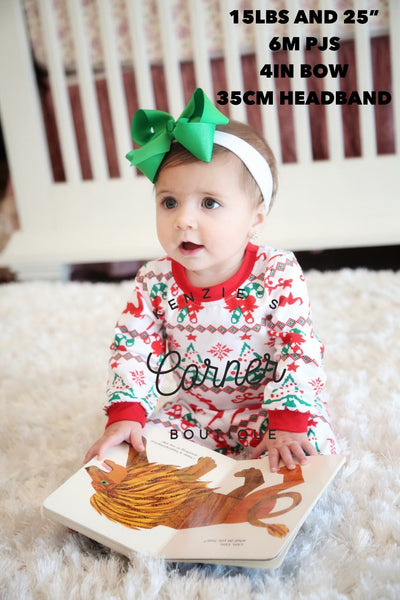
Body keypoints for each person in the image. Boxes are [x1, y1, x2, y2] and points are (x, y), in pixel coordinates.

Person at [85, 88, 337, 472]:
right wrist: (126, 412)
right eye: (169, 202)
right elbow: (133, 347)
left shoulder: (276, 272)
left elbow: (298, 346)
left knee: (312, 451)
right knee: (129, 453)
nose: (183, 219)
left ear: (255, 218)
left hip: (269, 410)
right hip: (194, 411)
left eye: (209, 203)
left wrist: (288, 423)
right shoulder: (154, 281)